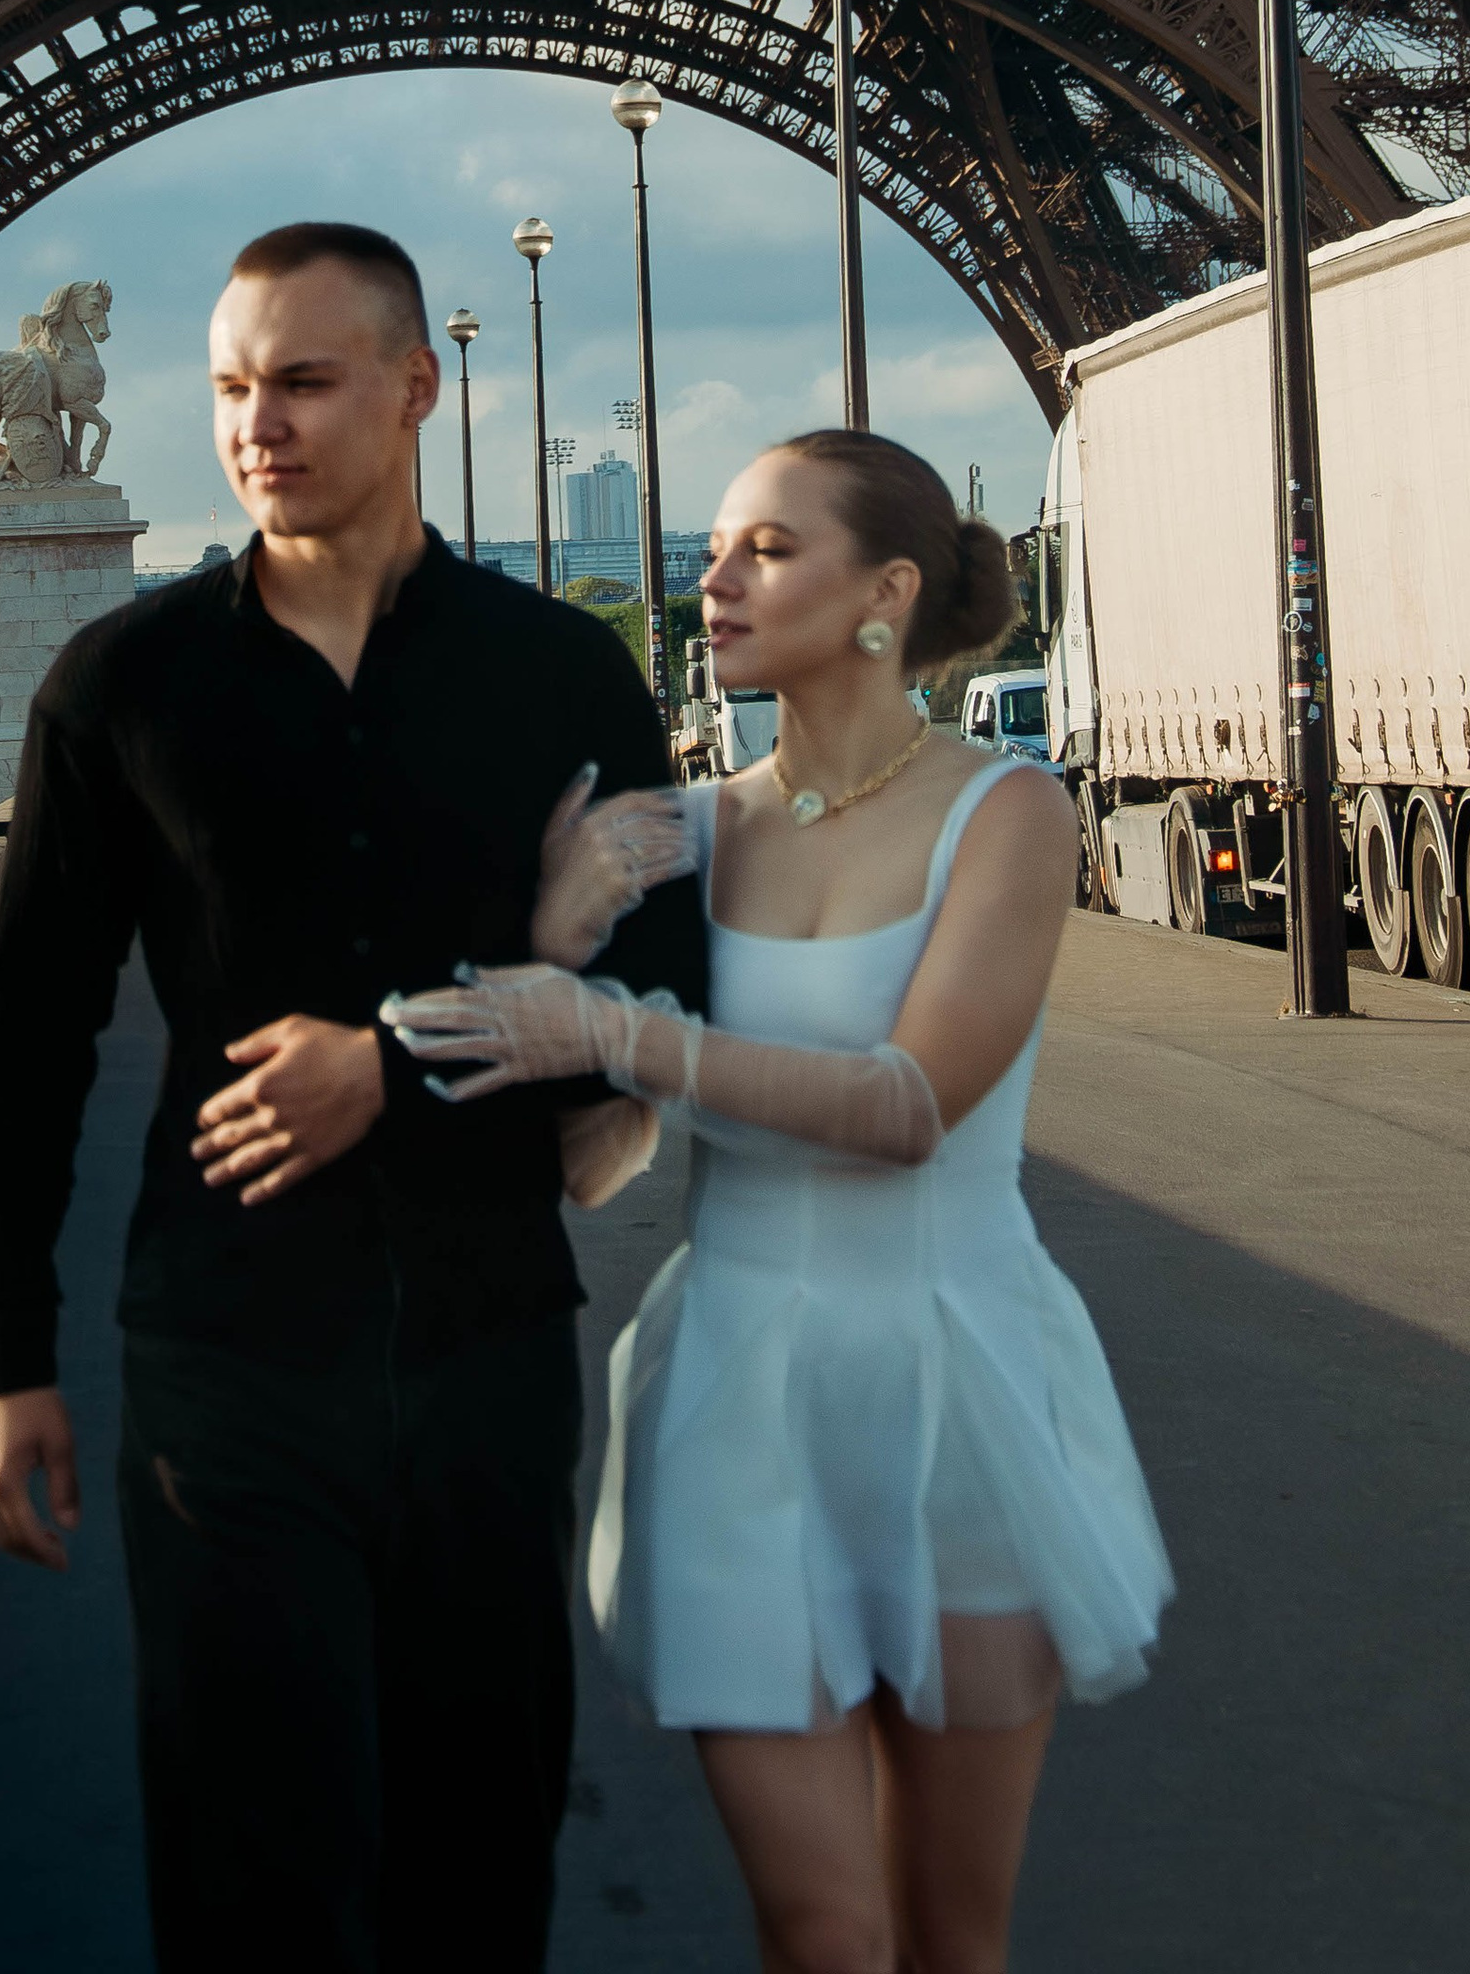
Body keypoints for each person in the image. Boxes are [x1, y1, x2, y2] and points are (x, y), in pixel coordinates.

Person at [0, 219, 704, 1974]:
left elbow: (665, 998)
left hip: (486, 1343)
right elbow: (32, 1034)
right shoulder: (120, 689)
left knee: (478, 1854)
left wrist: (401, 1069)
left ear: (418, 385)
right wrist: (6, 1359)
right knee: (247, 1875)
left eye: (301, 379)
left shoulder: (565, 678)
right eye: (230, 386)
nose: (256, 424)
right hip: (223, 1354)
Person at [388, 429, 1171, 1974]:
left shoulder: (1007, 812)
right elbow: (593, 1158)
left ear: (886, 593)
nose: (714, 576)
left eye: (766, 548)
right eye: (718, 545)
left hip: (961, 1381)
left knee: (952, 1936)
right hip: (743, 1389)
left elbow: (906, 1107)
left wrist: (625, 1028)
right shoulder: (674, 835)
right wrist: (557, 943)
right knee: (817, 1933)